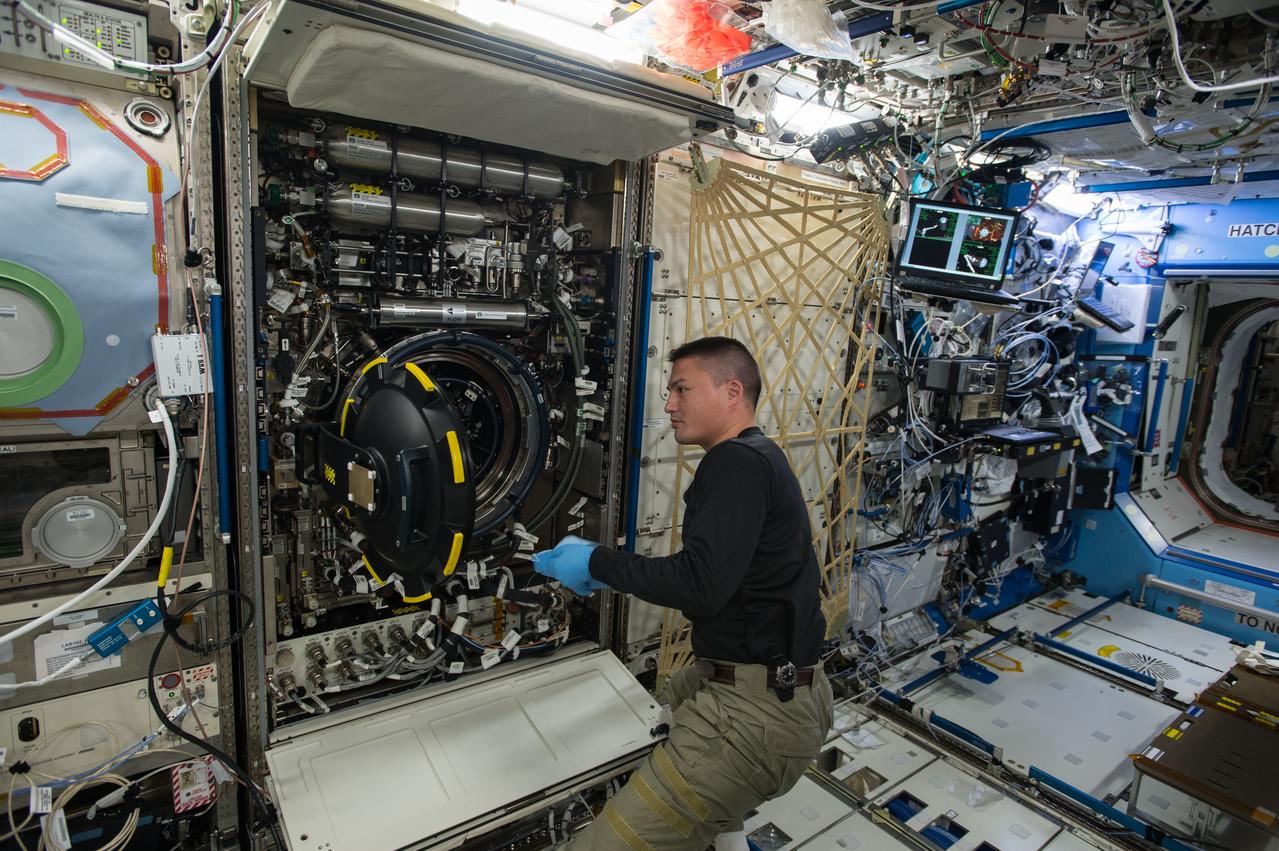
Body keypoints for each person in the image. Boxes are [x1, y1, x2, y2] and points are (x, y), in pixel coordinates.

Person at [533, 336, 833, 850]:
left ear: (732, 391)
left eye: (681, 389)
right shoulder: (762, 457)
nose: (669, 405)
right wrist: (604, 571)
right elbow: (724, 579)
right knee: (652, 705)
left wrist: (597, 561)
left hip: (754, 718)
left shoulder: (733, 463)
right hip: (787, 693)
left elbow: (701, 587)